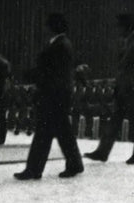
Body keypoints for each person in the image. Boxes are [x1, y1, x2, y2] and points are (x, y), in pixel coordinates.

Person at [15, 13, 84, 180]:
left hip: (53, 95)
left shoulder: (59, 46)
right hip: (59, 94)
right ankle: (74, 164)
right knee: (62, 132)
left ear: (53, 27)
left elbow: (49, 72)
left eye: (47, 25)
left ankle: (34, 169)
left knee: (44, 133)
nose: (45, 29)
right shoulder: (62, 44)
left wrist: (29, 76)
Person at [86, 13, 134, 165]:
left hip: (133, 89)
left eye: (119, 26)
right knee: (114, 121)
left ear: (126, 26)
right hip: (123, 88)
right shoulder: (126, 42)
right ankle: (102, 152)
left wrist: (128, 86)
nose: (117, 29)